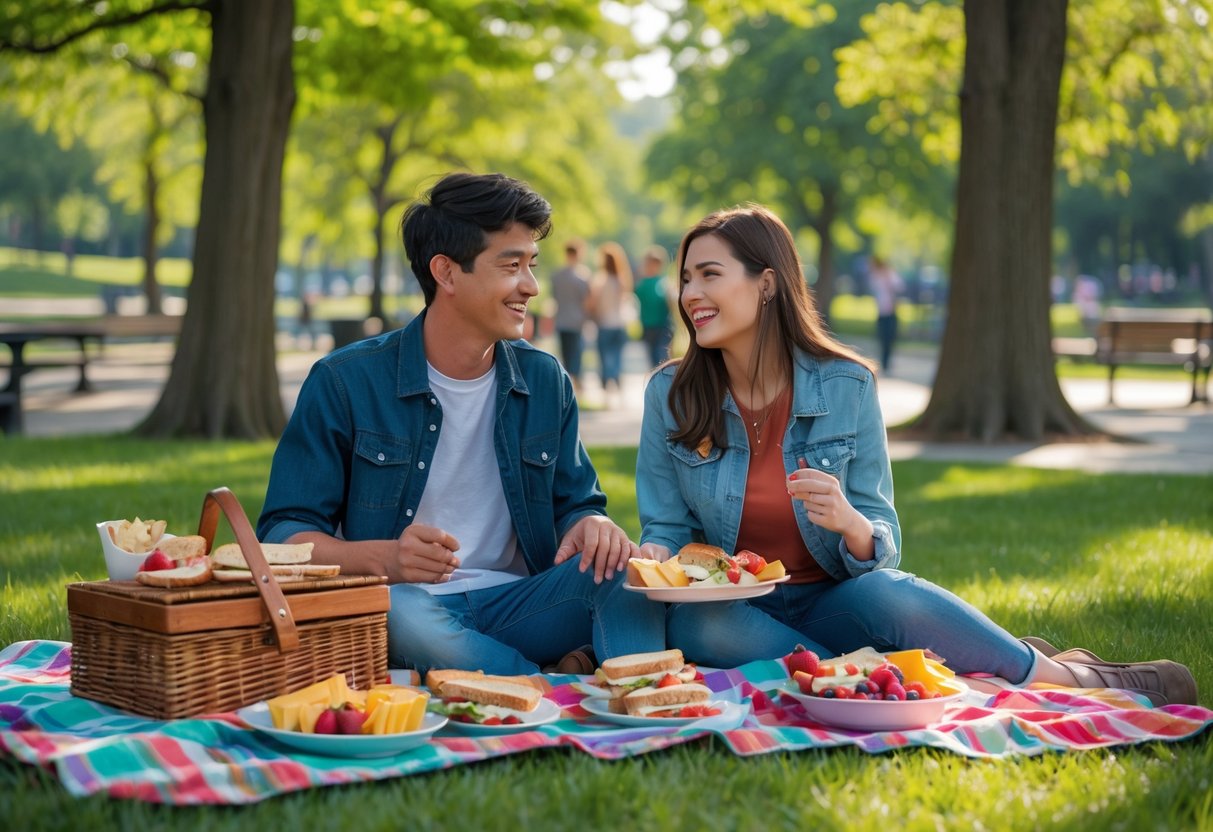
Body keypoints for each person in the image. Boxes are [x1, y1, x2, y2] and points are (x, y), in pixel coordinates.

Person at [634, 204, 1197, 706]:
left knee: (890, 593)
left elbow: (882, 537)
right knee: (699, 624)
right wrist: (655, 553)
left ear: (767, 284)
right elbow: (666, 525)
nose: (689, 294)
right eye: (685, 279)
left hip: (835, 599)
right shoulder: (670, 396)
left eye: (710, 274)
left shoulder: (846, 385)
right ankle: (887, 674)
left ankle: (1064, 676)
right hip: (738, 614)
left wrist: (851, 523)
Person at [257, 172, 665, 676]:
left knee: (624, 574)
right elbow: (283, 535)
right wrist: (389, 559)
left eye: (531, 265)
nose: (531, 287)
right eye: (511, 265)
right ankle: (543, 684)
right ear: (446, 273)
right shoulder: (344, 382)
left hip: (523, 603)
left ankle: (647, 699)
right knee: (400, 611)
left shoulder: (544, 380)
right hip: (409, 606)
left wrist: (593, 524)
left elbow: (576, 504)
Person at [587, 241, 634, 402]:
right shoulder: (622, 281)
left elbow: (592, 304)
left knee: (605, 358)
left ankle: (607, 393)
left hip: (604, 325)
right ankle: (619, 392)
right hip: (620, 324)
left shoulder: (600, 281)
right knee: (618, 358)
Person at [550, 239, 593, 390]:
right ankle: (577, 382)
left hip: (562, 320)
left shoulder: (557, 276)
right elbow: (587, 301)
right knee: (577, 353)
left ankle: (567, 383)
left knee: (566, 353)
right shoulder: (583, 276)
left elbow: (555, 297)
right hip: (577, 321)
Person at [635, 244, 674, 368]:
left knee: (661, 353)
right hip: (648, 325)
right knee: (652, 355)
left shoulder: (665, 282)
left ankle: (664, 377)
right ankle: (658, 377)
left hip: (663, 324)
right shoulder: (642, 284)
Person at [867, 255, 904, 373]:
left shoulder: (890, 275)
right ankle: (884, 363)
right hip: (881, 311)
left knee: (889, 337)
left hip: (891, 311)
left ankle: (887, 363)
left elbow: (899, 287)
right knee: (882, 337)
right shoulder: (876, 277)